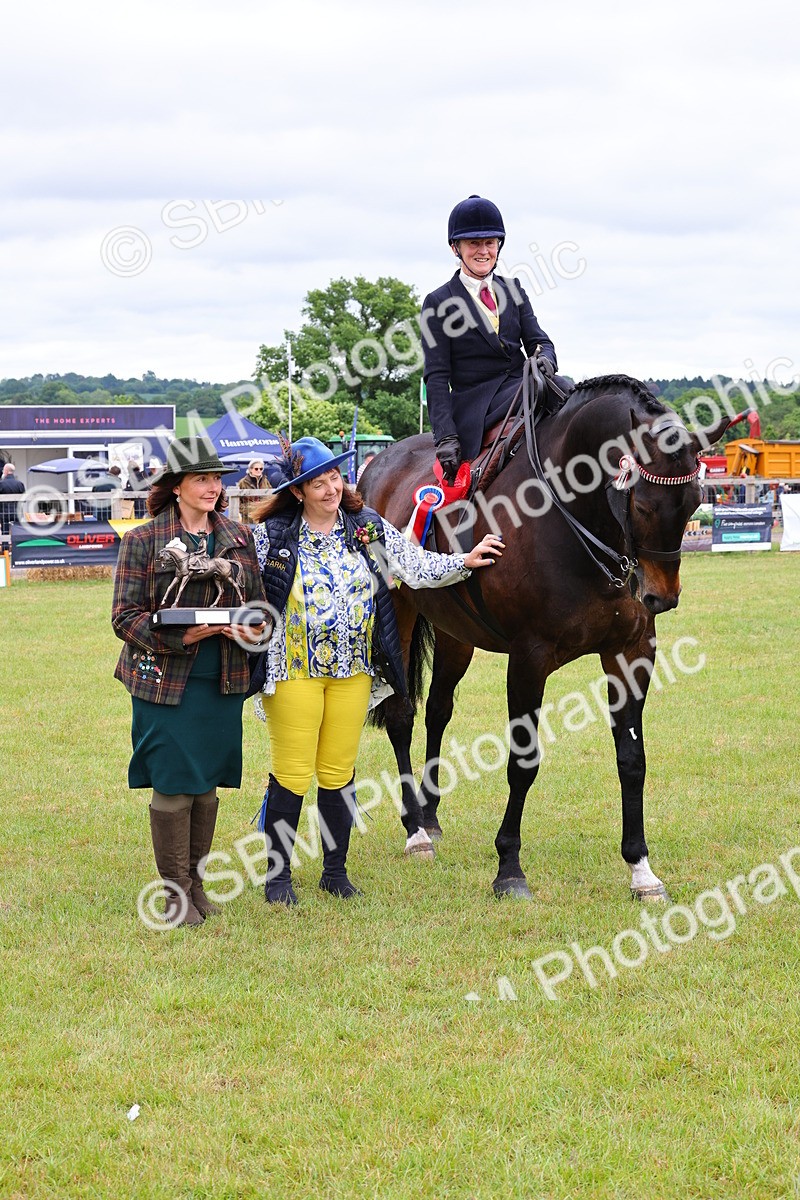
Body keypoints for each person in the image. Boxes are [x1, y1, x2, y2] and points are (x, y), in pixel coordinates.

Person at [249, 436, 504, 906]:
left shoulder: (366, 526)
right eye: (316, 483)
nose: (329, 489)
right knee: (292, 771)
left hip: (354, 671)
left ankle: (334, 872)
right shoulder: (272, 536)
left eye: (332, 478)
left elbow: (415, 564)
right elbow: (239, 573)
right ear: (298, 492)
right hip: (293, 671)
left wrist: (463, 563)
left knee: (338, 769)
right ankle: (278, 877)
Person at [112, 437, 267, 929]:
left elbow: (259, 608)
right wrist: (184, 636)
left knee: (205, 785)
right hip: (165, 681)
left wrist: (250, 628)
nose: (213, 488)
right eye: (202, 479)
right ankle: (174, 894)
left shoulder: (238, 536)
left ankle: (196, 886)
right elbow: (124, 617)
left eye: (217, 479)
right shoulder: (142, 540)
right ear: (176, 487)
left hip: (222, 680)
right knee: (175, 784)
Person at [421, 194, 566, 484]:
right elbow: (436, 377)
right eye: (474, 243)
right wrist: (445, 437)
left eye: (490, 243)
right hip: (476, 403)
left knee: (568, 391)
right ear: (455, 248)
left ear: (499, 245)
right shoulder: (437, 302)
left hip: (521, 387)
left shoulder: (513, 289)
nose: (483, 251)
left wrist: (543, 362)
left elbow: (541, 342)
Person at [237, 458, 268, 523]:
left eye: (261, 469)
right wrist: (249, 509)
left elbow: (270, 497)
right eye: (256, 469)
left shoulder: (265, 481)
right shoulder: (242, 482)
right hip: (248, 519)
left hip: (263, 517)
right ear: (250, 469)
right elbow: (237, 502)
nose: (259, 470)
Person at [0, 463, 25, 537]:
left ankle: (5, 547)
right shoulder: (20, 484)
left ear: (6, 471)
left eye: (3, 470)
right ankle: (16, 547)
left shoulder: (1, 484)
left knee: (5, 532)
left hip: (3, 513)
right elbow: (24, 499)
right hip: (17, 512)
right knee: (17, 531)